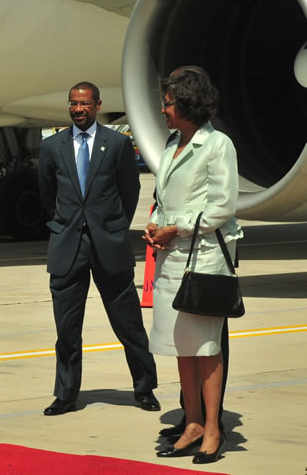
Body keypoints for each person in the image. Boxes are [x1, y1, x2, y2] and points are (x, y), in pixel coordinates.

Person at [37, 81, 159, 416]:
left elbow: (129, 191)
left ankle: (144, 387)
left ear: (97, 105)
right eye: (73, 104)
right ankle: (66, 394)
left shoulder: (117, 144)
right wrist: (66, 223)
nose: (78, 109)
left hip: (109, 245)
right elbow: (48, 192)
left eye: (84, 104)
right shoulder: (52, 146)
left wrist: (113, 226)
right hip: (67, 246)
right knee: (67, 330)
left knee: (129, 325)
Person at [144, 67, 241, 464]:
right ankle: (193, 423)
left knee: (206, 347)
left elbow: (222, 205)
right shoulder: (173, 144)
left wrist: (177, 228)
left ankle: (213, 429)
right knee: (182, 348)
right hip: (172, 259)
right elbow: (165, 198)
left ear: (187, 104)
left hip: (204, 259)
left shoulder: (217, 145)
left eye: (168, 103)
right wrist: (155, 224)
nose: (163, 109)